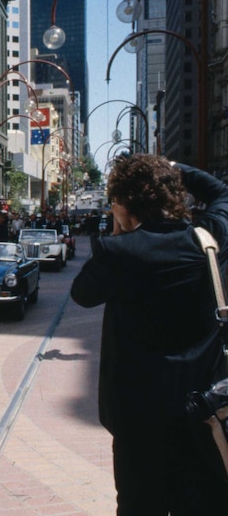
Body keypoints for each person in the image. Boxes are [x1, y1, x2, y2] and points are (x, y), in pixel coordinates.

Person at [70, 154, 228, 514]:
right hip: (204, 410)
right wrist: (174, 168)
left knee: (140, 507)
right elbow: (221, 192)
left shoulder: (117, 251)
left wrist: (117, 230)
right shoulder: (208, 237)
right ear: (172, 195)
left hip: (137, 419)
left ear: (124, 203)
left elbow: (82, 294)